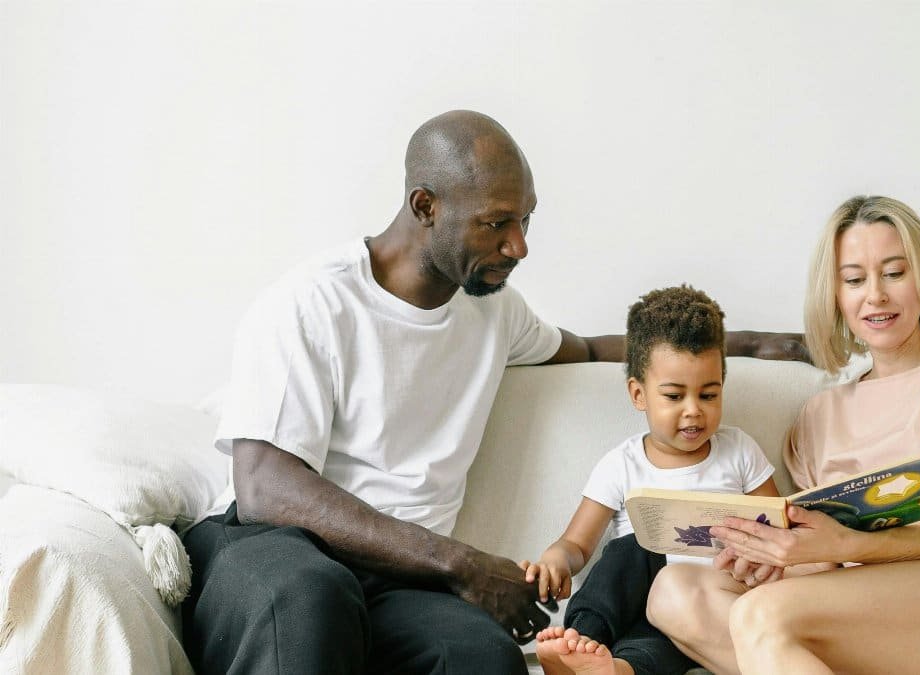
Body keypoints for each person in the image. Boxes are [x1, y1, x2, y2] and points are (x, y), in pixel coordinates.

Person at [180, 110, 809, 675]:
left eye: (526, 219)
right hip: (272, 550)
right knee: (309, 604)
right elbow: (265, 487)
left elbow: (587, 349)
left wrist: (753, 342)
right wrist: (461, 564)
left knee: (482, 657)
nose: (520, 245)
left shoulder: (494, 312)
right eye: (496, 224)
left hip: (402, 584)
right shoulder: (314, 301)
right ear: (425, 205)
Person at [646, 195, 920, 675]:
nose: (875, 295)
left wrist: (836, 547)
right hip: (883, 603)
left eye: (895, 273)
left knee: (761, 615)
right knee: (673, 594)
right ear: (835, 296)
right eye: (854, 280)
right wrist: (780, 557)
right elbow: (832, 568)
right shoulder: (819, 415)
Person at [523, 285, 782, 675]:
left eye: (708, 395)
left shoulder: (740, 450)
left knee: (661, 648)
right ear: (639, 394)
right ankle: (579, 640)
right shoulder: (622, 464)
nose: (694, 411)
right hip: (630, 597)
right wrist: (556, 559)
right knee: (631, 550)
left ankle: (615, 668)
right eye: (675, 397)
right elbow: (577, 542)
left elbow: (777, 526)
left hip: (702, 606)